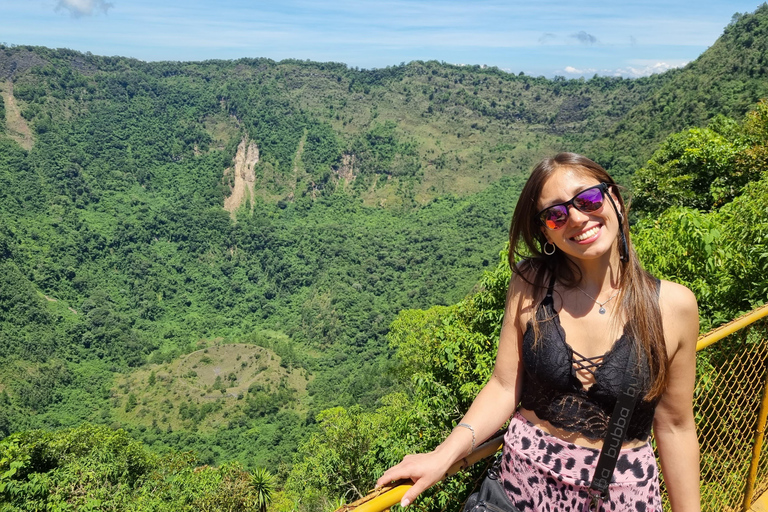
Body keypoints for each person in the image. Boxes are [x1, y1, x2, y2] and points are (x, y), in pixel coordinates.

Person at [377, 153, 700, 512]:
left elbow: (675, 425)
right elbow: (503, 385)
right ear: (546, 231)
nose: (577, 218)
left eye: (588, 199)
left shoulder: (671, 307)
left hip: (620, 499)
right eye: (556, 215)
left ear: (616, 201)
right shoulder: (532, 283)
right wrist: (443, 454)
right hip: (521, 489)